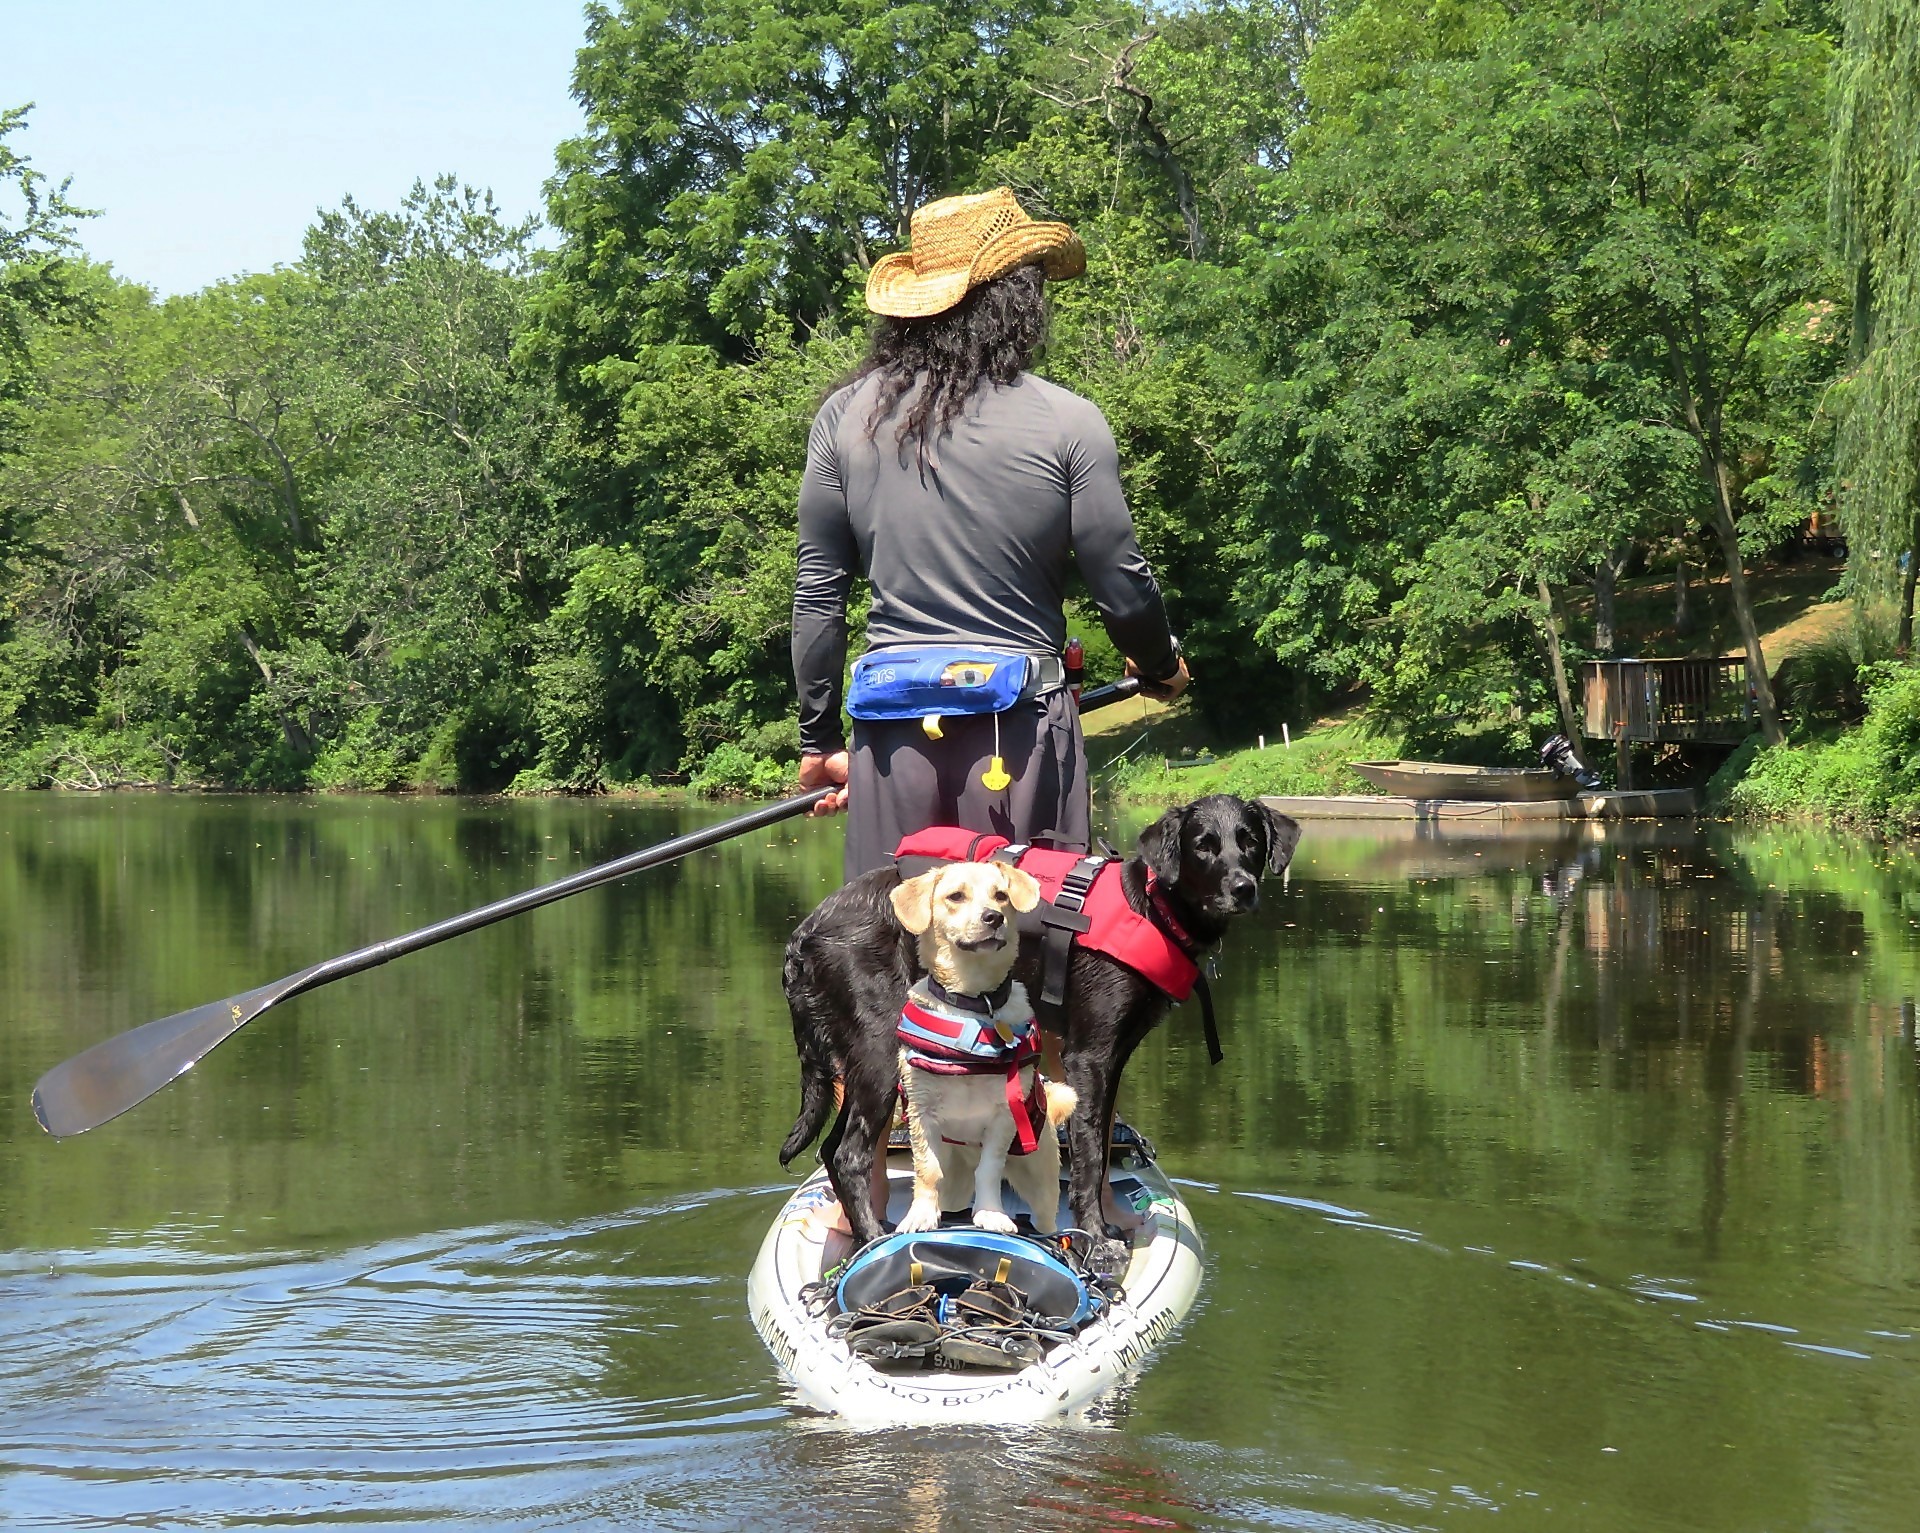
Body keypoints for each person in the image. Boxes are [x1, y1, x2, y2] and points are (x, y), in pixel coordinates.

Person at [791, 186, 1189, 879]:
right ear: (1015, 301)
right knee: (1028, 963)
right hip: (1023, 740)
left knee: (893, 958)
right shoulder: (1069, 421)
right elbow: (1121, 582)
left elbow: (818, 597)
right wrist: (1160, 666)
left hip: (890, 743)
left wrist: (820, 741)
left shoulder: (842, 418)